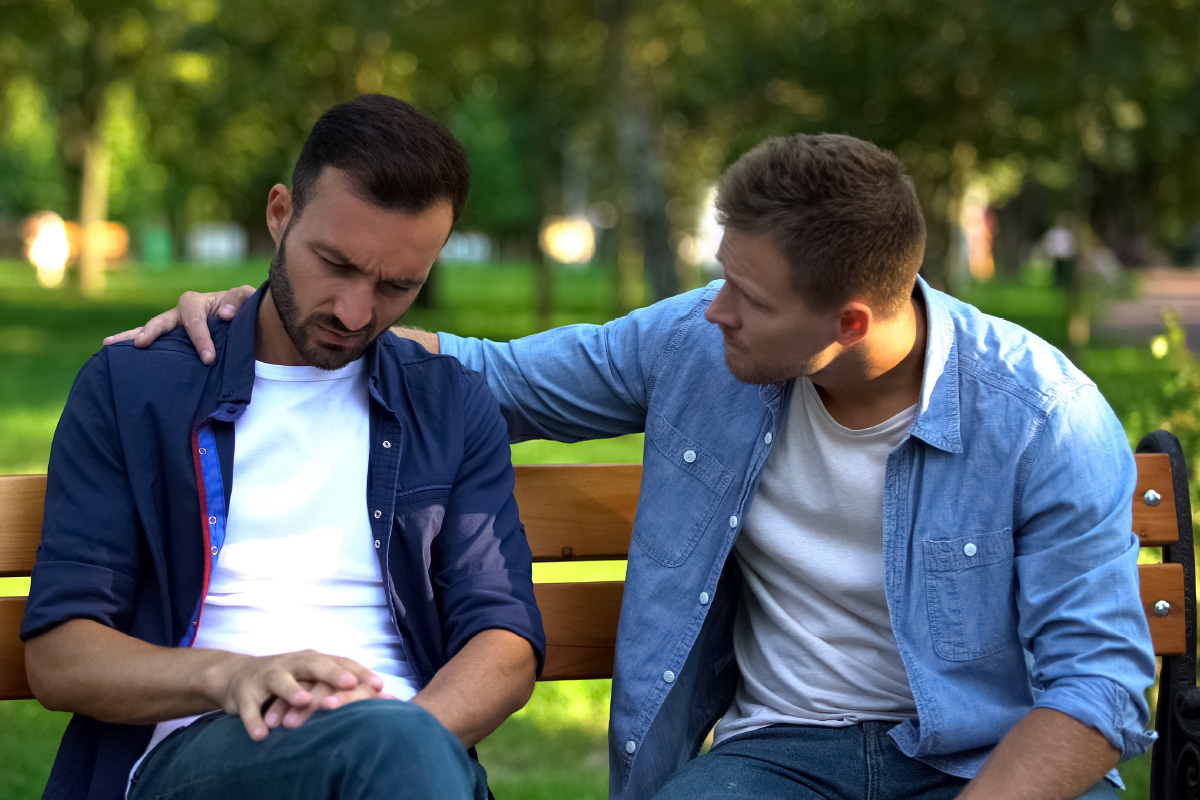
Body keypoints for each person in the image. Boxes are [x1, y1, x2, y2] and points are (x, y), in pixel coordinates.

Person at [118, 133, 1156, 800]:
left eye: (747, 297)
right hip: (777, 756)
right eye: (720, 277)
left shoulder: (1043, 418)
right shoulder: (695, 346)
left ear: (846, 322)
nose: (715, 312)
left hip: (981, 763)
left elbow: (1102, 683)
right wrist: (248, 315)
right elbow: (492, 375)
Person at [22, 94, 545, 800]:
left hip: (410, 752)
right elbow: (61, 658)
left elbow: (504, 645)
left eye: (399, 286)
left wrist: (403, 745)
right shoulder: (138, 388)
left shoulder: (451, 405)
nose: (356, 313)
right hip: (200, 750)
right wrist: (232, 674)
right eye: (335, 263)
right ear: (279, 215)